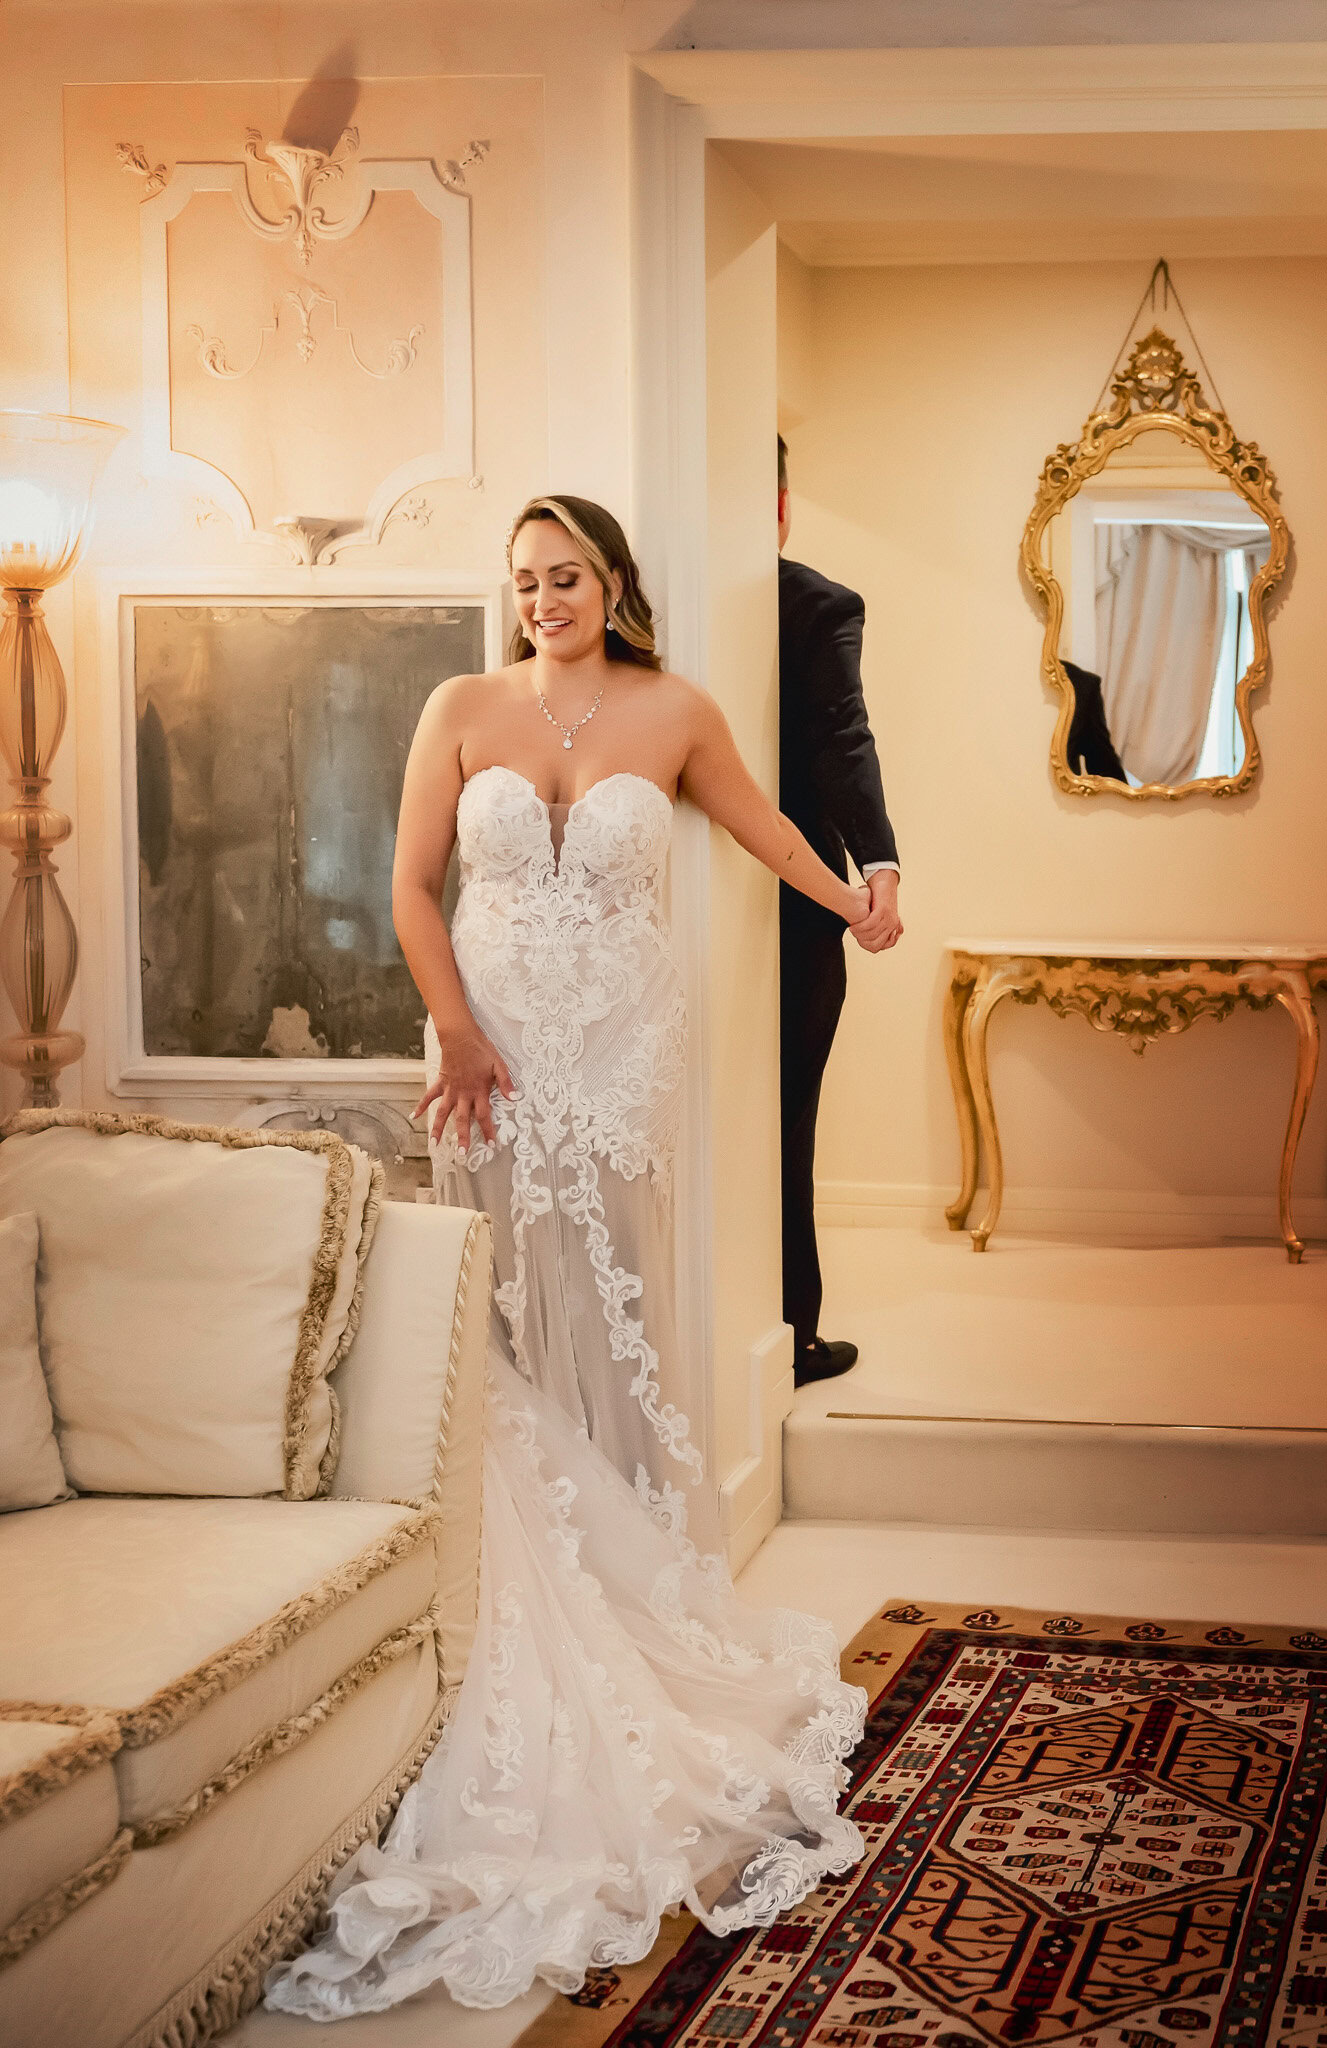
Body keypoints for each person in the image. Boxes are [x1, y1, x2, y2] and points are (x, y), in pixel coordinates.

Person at [265, 495, 875, 2021]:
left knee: (609, 1318)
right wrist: (458, 1031)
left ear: (614, 580)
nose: (544, 597)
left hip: (615, 1062)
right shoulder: (458, 707)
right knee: (487, 1322)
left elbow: (764, 829)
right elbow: (414, 886)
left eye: (569, 575)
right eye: (526, 579)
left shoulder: (676, 709)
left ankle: (623, 1599)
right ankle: (490, 1592)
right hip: (484, 1058)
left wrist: (854, 898)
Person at [777, 437, 902, 1390]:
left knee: (779, 1116)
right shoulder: (816, 601)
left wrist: (877, 862)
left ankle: (783, 1326)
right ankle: (788, 1333)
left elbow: (840, 737)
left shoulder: (818, 606)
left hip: (799, 902)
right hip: (792, 903)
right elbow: (840, 737)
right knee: (788, 1117)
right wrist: (873, 875)